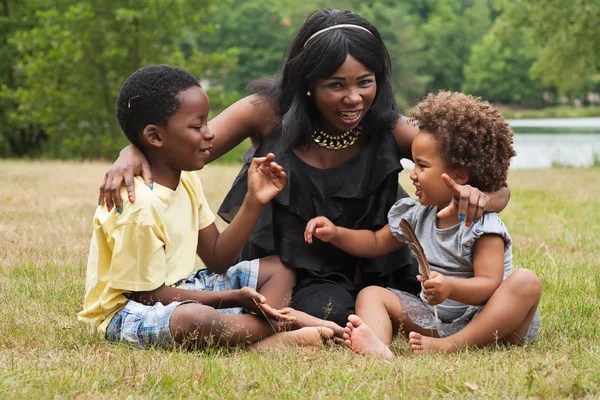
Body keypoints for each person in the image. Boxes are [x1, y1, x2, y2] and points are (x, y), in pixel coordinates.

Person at [97, 9, 511, 327]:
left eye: (365, 81)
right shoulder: (266, 111)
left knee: (428, 307)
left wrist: (485, 196)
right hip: (291, 270)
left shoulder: (390, 125)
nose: (354, 98)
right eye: (337, 85)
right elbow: (185, 144)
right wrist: (131, 152)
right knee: (333, 312)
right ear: (308, 82)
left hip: (379, 265)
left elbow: (495, 187)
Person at [78, 64, 342, 351]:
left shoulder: (187, 180)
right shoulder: (139, 206)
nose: (210, 133)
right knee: (194, 319)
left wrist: (254, 201)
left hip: (181, 287)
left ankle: (262, 334)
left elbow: (218, 258)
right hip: (126, 311)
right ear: (155, 137)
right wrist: (230, 299)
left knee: (279, 267)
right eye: (196, 126)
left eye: (207, 122)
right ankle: (280, 326)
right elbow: (147, 295)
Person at [304, 91, 542, 357]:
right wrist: (336, 233)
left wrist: (450, 287)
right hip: (436, 318)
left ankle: (452, 346)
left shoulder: (482, 226)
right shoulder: (418, 215)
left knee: (526, 282)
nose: (413, 175)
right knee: (371, 294)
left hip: (490, 322)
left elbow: (488, 284)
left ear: (459, 176)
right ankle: (377, 347)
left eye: (422, 166)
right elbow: (375, 242)